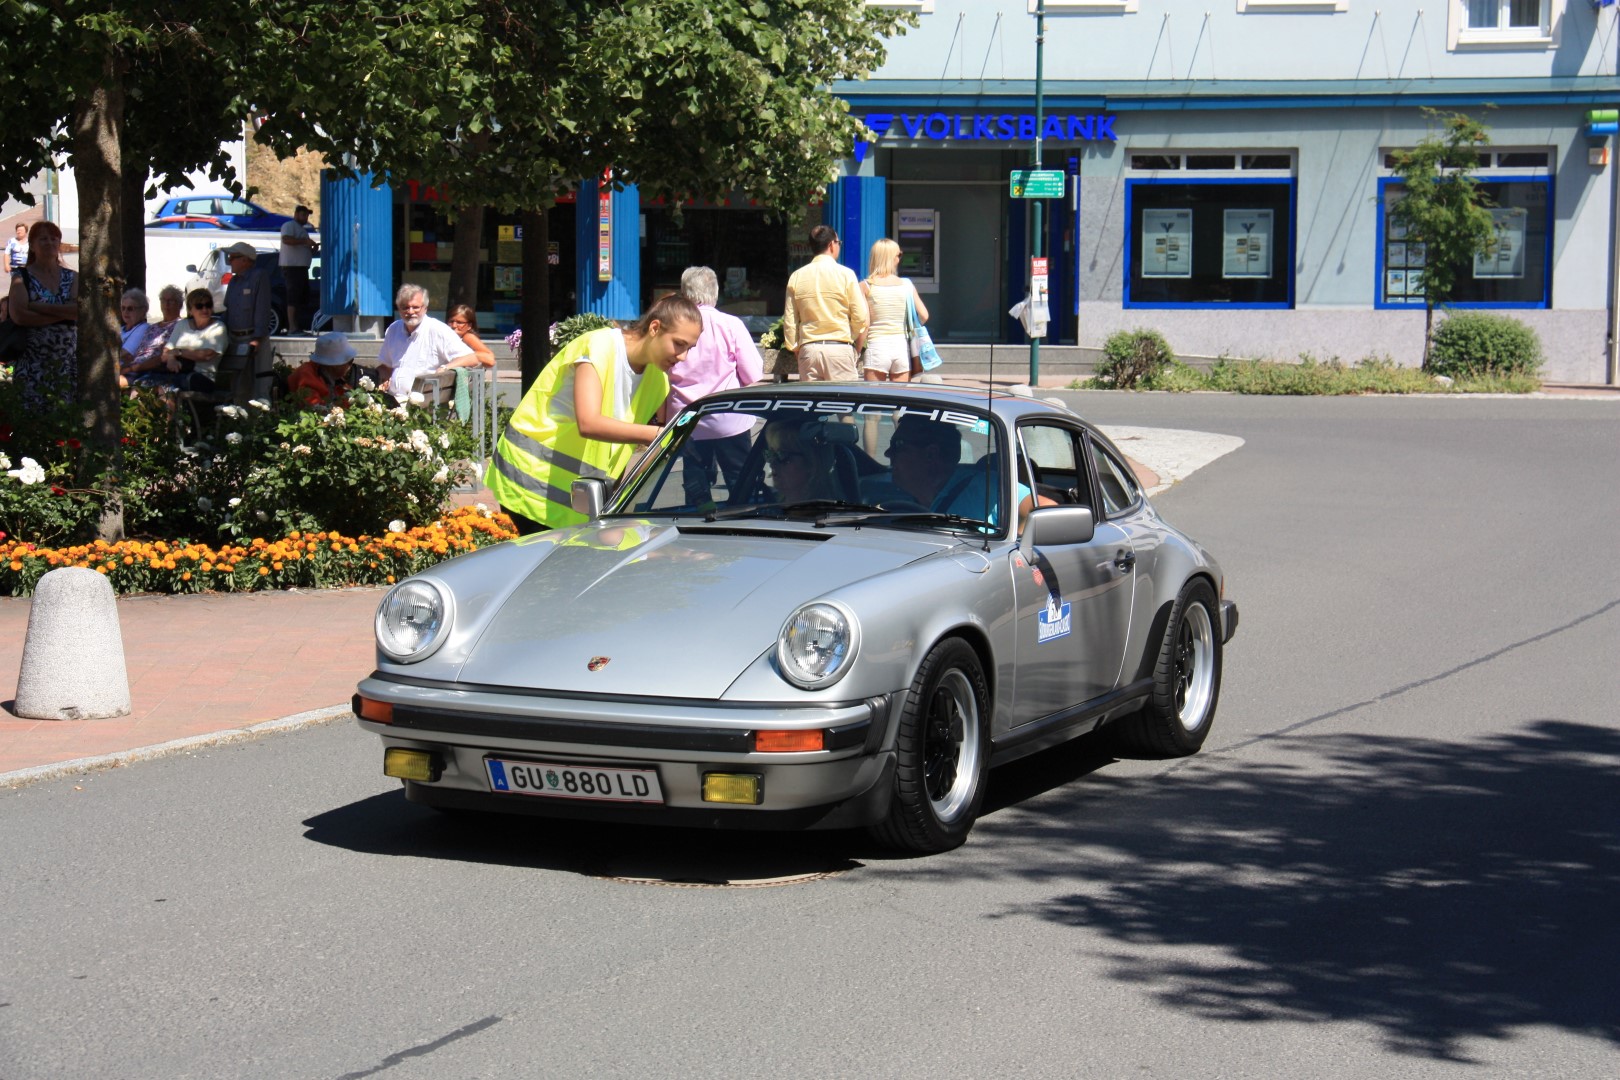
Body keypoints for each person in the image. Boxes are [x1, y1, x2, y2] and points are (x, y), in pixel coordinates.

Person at [485, 293, 702, 535]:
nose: (683, 357)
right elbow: (588, 423)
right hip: (528, 483)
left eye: (689, 348)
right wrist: (658, 435)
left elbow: (620, 449)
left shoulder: (658, 381)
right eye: (679, 344)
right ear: (655, 328)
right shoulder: (599, 346)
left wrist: (613, 506)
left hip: (574, 499)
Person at [667, 266, 765, 506]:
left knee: (696, 489)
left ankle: (699, 527)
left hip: (688, 420)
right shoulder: (730, 325)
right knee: (742, 483)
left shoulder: (672, 327)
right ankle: (745, 525)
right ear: (715, 292)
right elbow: (753, 373)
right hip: (729, 418)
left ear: (684, 293)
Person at [885, 415, 1042, 528]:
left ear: (931, 454)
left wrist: (1019, 549)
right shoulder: (891, 492)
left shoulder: (982, 486)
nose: (887, 453)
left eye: (898, 445)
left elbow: (1041, 508)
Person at [6, 220, 78, 410]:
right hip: (32, 366)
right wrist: (64, 315)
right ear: (32, 245)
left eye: (54, 238)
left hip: (64, 365)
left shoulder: (72, 277)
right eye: (43, 239)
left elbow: (78, 311)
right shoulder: (22, 277)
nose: (49, 243)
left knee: (64, 422)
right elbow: (20, 316)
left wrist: (36, 306)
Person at [781, 224, 868, 382]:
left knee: (812, 404)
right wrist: (850, 337)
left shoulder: (796, 276)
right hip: (839, 347)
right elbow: (860, 315)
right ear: (831, 245)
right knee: (845, 404)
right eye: (838, 243)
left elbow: (790, 320)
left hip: (809, 350)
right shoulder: (846, 275)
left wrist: (795, 347)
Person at [374, 284, 473, 401]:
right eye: (405, 307)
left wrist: (445, 368)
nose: (410, 312)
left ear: (425, 308)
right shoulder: (393, 329)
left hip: (422, 405)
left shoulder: (437, 330)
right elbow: (387, 367)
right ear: (398, 309)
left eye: (416, 307)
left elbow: (471, 358)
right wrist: (376, 379)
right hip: (392, 399)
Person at [860, 237, 928, 382]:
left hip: (877, 346)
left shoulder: (865, 286)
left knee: (874, 400)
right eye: (899, 255)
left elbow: (864, 323)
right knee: (899, 400)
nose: (900, 258)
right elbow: (924, 315)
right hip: (901, 347)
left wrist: (857, 349)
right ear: (892, 258)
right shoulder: (906, 285)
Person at [139, 288, 226, 393]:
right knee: (140, 384)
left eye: (208, 305)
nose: (204, 309)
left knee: (167, 389)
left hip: (201, 377)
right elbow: (166, 351)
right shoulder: (182, 325)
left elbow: (206, 354)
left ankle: (168, 408)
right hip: (178, 372)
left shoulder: (218, 327)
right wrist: (171, 359)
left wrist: (178, 352)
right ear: (190, 310)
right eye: (199, 306)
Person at [221, 240, 272, 403]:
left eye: (232, 257)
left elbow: (262, 308)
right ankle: (239, 419)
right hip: (234, 339)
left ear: (245, 260)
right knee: (239, 384)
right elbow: (227, 311)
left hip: (253, 338)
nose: (229, 261)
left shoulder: (259, 276)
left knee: (259, 384)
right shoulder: (233, 282)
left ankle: (260, 421)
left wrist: (257, 339)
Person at [440, 303, 496, 421]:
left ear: (469, 325)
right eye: (451, 321)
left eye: (460, 322)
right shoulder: (446, 337)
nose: (454, 325)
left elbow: (490, 359)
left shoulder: (467, 337)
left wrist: (467, 359)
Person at [764, 422, 841, 505]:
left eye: (782, 455)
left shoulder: (828, 512)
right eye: (771, 454)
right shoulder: (765, 504)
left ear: (811, 463)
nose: (772, 464)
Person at [123, 286, 184, 390]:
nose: (166, 304)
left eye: (171, 301)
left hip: (148, 370)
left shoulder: (181, 325)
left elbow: (162, 357)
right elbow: (140, 351)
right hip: (134, 367)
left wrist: (132, 368)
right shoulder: (153, 327)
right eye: (163, 300)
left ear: (180, 304)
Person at [287, 331, 366, 407]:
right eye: (349, 361)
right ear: (335, 365)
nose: (350, 366)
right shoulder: (307, 378)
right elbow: (316, 411)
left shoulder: (329, 374)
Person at [278, 204, 317, 334]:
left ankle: (297, 326)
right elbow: (286, 239)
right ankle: (292, 327)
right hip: (292, 267)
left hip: (301, 268)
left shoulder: (301, 229)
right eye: (303, 214)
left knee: (300, 298)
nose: (305, 217)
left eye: (306, 215)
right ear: (296, 214)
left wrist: (312, 247)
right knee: (293, 298)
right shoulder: (289, 226)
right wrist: (305, 242)